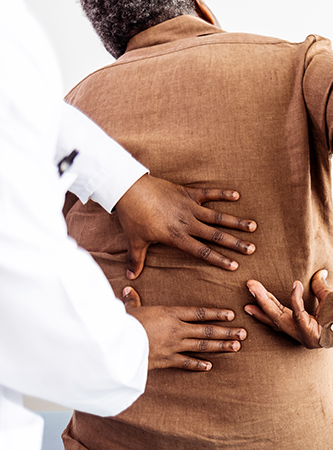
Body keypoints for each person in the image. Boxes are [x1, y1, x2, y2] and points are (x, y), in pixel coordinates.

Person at [63, 0, 333, 448]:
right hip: (293, 432)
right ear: (201, 8)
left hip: (114, 436)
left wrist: (109, 328)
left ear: (112, 43)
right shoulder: (290, 66)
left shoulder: (72, 113)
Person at [0, 2, 257, 448]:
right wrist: (128, 345)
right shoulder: (290, 63)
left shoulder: (79, 93)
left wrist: (122, 182)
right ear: (204, 10)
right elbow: (16, 270)